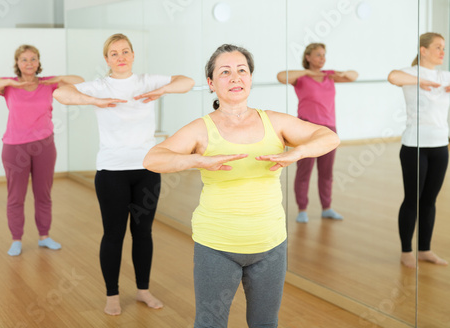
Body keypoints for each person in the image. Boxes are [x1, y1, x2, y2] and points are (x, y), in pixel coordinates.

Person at [143, 44, 340, 328]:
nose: (235, 77)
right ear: (211, 83)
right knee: (210, 323)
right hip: (216, 245)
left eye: (241, 70)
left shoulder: (274, 121)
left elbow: (328, 137)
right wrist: (198, 160)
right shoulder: (201, 128)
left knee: (265, 323)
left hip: (270, 245)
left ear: (250, 78)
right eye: (225, 72)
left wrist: (297, 152)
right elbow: (153, 158)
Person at [53, 33, 195, 315]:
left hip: (147, 169)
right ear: (107, 59)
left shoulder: (146, 82)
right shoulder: (100, 85)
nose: (121, 57)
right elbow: (60, 93)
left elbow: (187, 81)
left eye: (125, 51)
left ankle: (143, 290)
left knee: (143, 233)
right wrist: (92, 100)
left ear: (132, 55)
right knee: (114, 234)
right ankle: (112, 294)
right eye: (114, 53)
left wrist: (161, 91)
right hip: (111, 171)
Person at [0, 44, 84, 256]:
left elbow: (80, 82)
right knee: (16, 196)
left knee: (43, 194)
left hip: (44, 145)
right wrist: (9, 81)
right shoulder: (8, 85)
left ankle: (44, 236)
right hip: (14, 147)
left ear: (39, 62)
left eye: (33, 59)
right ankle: (16, 239)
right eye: (24, 59)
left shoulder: (48, 84)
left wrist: (56, 79)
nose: (29, 63)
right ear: (17, 63)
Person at [277, 43, 358, 223]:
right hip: (306, 129)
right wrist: (307, 72)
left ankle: (326, 207)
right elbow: (281, 76)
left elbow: (354, 75)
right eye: (318, 55)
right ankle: (302, 209)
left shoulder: (328, 76)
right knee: (304, 170)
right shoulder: (301, 78)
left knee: (326, 172)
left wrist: (339, 72)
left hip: (329, 129)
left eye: (324, 55)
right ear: (308, 57)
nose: (322, 58)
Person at [388, 32, 449, 268]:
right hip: (415, 146)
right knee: (412, 199)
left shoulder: (444, 75)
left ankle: (425, 249)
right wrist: (419, 81)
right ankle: (406, 251)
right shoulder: (410, 73)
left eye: (444, 48)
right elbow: (392, 77)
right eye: (438, 47)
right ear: (423, 50)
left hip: (440, 146)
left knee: (430, 201)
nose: (442, 52)